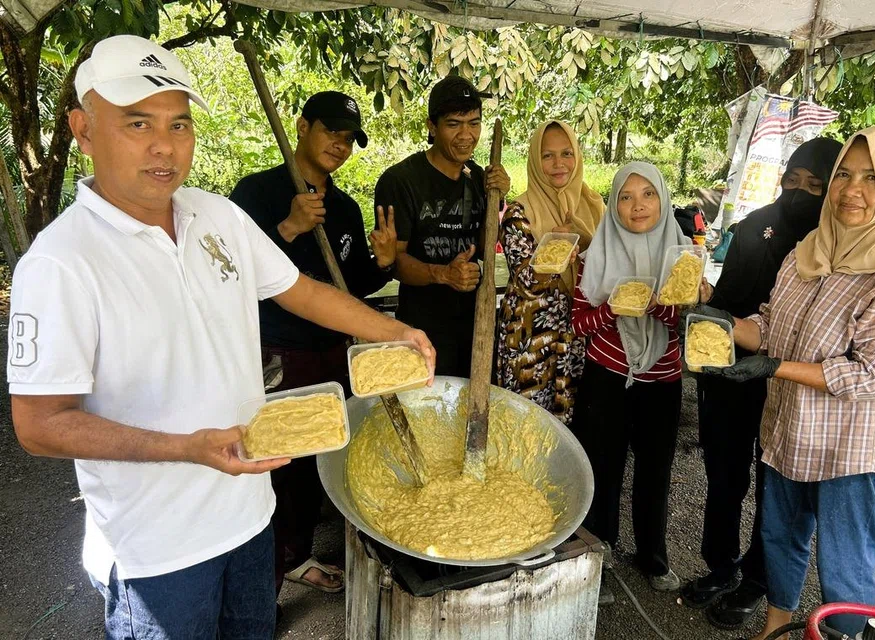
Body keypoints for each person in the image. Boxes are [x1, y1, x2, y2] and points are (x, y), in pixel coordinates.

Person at [7, 35, 434, 640]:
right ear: (83, 128)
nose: (164, 145)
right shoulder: (60, 262)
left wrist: (397, 332)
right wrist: (188, 447)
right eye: (137, 122)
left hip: (250, 520)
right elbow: (40, 423)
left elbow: (302, 291)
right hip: (157, 553)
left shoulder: (217, 216)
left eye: (179, 123)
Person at [686, 126, 875, 639]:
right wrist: (718, 323)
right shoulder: (809, 250)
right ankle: (776, 626)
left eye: (872, 178)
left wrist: (773, 369)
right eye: (845, 175)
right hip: (790, 432)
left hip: (852, 449)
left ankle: (846, 634)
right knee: (781, 538)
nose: (852, 189)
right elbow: (770, 325)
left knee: (845, 563)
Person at [230, 91, 397, 601]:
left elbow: (349, 289)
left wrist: (384, 261)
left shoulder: (343, 208)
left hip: (332, 354)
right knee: (276, 465)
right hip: (279, 352)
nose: (340, 146)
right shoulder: (256, 194)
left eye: (348, 139)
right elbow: (232, 272)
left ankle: (297, 558)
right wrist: (288, 227)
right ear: (302, 127)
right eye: (331, 132)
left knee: (317, 463)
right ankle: (263, 591)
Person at [680, 138, 843, 628]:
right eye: (792, 180)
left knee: (779, 494)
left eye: (815, 185)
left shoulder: (838, 246)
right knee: (724, 480)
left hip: (794, 390)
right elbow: (726, 305)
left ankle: (757, 581)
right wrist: (706, 339)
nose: (799, 193)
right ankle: (722, 567)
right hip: (733, 378)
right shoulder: (755, 227)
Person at [571, 162, 691, 592]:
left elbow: (687, 321)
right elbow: (578, 324)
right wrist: (613, 308)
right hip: (607, 377)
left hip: (662, 378)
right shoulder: (597, 253)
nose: (637, 205)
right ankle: (598, 557)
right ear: (613, 203)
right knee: (602, 467)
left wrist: (656, 305)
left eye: (648, 194)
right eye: (626, 196)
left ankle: (653, 557)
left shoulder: (683, 256)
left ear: (663, 198)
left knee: (655, 470)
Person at [374, 74, 510, 377]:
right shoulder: (401, 181)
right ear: (432, 126)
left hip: (476, 323)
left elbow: (488, 249)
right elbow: (394, 262)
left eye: (474, 123)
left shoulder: (478, 178)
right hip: (422, 327)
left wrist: (497, 200)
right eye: (454, 124)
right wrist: (443, 274)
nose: (466, 135)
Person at [496, 120, 604, 425]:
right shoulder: (520, 212)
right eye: (547, 156)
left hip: (578, 338)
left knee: (572, 428)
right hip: (531, 341)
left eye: (566, 153)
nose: (559, 164)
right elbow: (524, 278)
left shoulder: (594, 206)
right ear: (534, 160)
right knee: (527, 428)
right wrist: (551, 251)